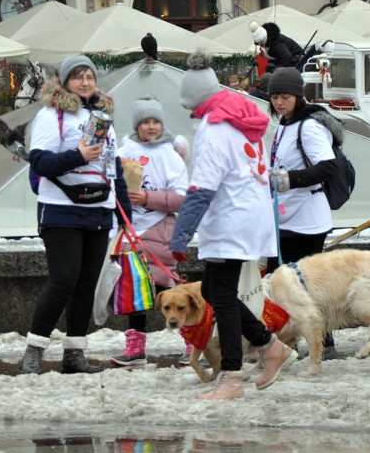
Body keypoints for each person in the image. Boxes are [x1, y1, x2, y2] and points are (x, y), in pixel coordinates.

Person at [169, 49, 297, 400]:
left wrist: (180, 235)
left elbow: (203, 187)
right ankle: (271, 347)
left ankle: (232, 377)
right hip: (250, 215)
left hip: (230, 219)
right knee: (212, 291)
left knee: (222, 297)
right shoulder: (243, 116)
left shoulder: (213, 128)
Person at [21, 55, 133, 375]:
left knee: (86, 284)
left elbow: (113, 168)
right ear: (66, 81)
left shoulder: (102, 117)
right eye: (78, 77)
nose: (85, 82)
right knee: (63, 280)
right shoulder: (52, 115)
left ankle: (75, 354)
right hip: (61, 209)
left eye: (90, 77)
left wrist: (124, 212)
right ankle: (34, 351)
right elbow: (40, 163)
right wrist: (79, 155)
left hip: (99, 210)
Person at [267, 66, 341, 358]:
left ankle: (323, 341)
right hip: (285, 216)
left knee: (307, 284)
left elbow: (327, 166)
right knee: (281, 282)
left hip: (307, 220)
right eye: (274, 96)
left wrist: (290, 179)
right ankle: (287, 341)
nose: (279, 102)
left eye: (285, 96)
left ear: (298, 96)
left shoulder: (308, 126)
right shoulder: (284, 124)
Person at [111, 95, 190, 367]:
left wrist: (148, 199)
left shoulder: (171, 155)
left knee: (170, 290)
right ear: (137, 126)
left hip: (159, 232)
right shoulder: (122, 153)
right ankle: (135, 349)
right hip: (130, 233)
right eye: (145, 122)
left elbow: (182, 197)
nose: (152, 127)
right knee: (134, 293)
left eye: (156, 121)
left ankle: (193, 343)